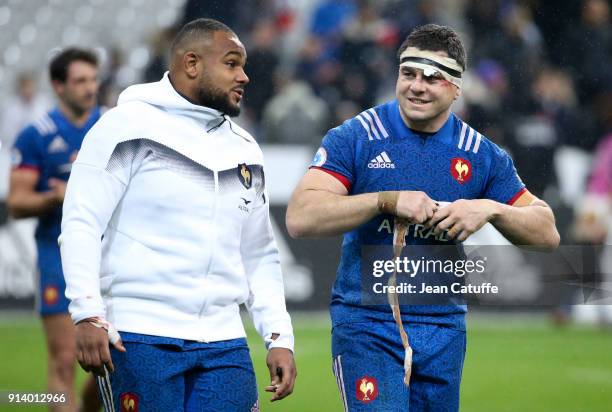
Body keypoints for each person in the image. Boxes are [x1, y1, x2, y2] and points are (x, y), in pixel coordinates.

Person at [286, 24, 560, 411]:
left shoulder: (480, 154)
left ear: (456, 87)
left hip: (444, 327)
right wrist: (386, 200)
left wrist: (490, 209)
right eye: (408, 73)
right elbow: (301, 216)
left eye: (432, 78)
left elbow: (547, 232)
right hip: (367, 323)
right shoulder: (358, 136)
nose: (417, 86)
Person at [59, 18, 296, 411]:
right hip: (139, 336)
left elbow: (258, 252)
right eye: (232, 64)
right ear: (191, 64)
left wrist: (279, 336)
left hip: (225, 343)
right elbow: (82, 222)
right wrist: (87, 314)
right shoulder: (125, 127)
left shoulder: (245, 149)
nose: (245, 76)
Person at [7, 49, 102, 412]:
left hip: (107, 259)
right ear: (58, 86)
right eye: (80, 81)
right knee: (64, 359)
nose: (90, 88)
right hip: (56, 256)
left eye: (93, 80)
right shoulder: (37, 135)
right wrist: (56, 196)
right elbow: (16, 202)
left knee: (110, 364)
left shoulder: (111, 126)